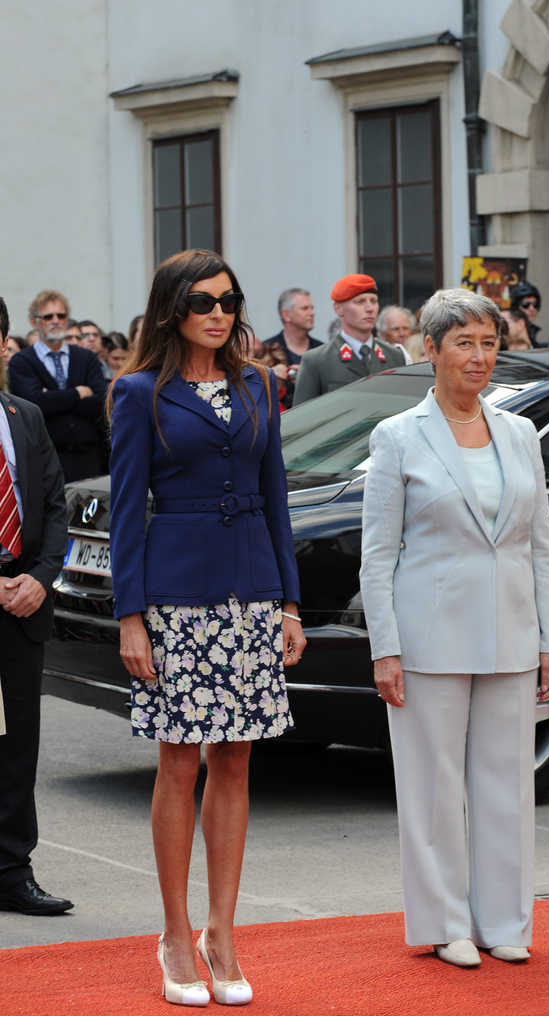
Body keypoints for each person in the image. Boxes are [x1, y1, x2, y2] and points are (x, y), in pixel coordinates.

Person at [108, 249, 304, 1007]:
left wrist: (287, 603)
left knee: (235, 763)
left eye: (228, 300)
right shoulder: (138, 393)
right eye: (201, 302)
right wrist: (132, 618)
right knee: (180, 764)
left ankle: (223, 932)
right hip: (176, 597)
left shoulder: (259, 383)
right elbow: (128, 514)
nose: (218, 313)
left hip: (251, 590)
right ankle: (174, 931)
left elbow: (275, 495)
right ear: (171, 310)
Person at [360, 288, 549, 968]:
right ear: (432, 350)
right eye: (465, 344)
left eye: (489, 344)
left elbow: (541, 544)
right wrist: (384, 648)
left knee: (509, 782)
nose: (479, 358)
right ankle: (444, 922)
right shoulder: (397, 436)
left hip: (510, 632)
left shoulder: (520, 433)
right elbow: (379, 554)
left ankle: (505, 920)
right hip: (426, 636)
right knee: (433, 784)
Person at [0, 297, 73, 916]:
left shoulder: (24, 415)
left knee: (19, 741)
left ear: (5, 346)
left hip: (24, 603)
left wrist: (42, 578)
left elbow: (54, 504)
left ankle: (12, 870)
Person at [9, 290, 107, 482]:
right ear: (33, 321)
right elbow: (33, 405)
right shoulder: (21, 361)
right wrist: (79, 392)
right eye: (48, 316)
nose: (55, 321)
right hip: (43, 460)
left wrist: (53, 398)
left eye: (61, 315)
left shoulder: (86, 358)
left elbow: (100, 404)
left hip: (88, 459)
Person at [293, 274, 405, 405]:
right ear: (338, 308)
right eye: (360, 302)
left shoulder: (394, 356)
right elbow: (303, 416)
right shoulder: (317, 360)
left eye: (373, 301)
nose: (370, 309)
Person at [263, 289, 322, 408]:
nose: (312, 313)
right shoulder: (266, 350)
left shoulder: (322, 350)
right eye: (305, 308)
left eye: (312, 308)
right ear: (286, 315)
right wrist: (270, 375)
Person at [510, 282, 542, 346]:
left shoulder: (534, 339)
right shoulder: (508, 333)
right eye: (525, 304)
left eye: (535, 304)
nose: (531, 309)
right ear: (516, 308)